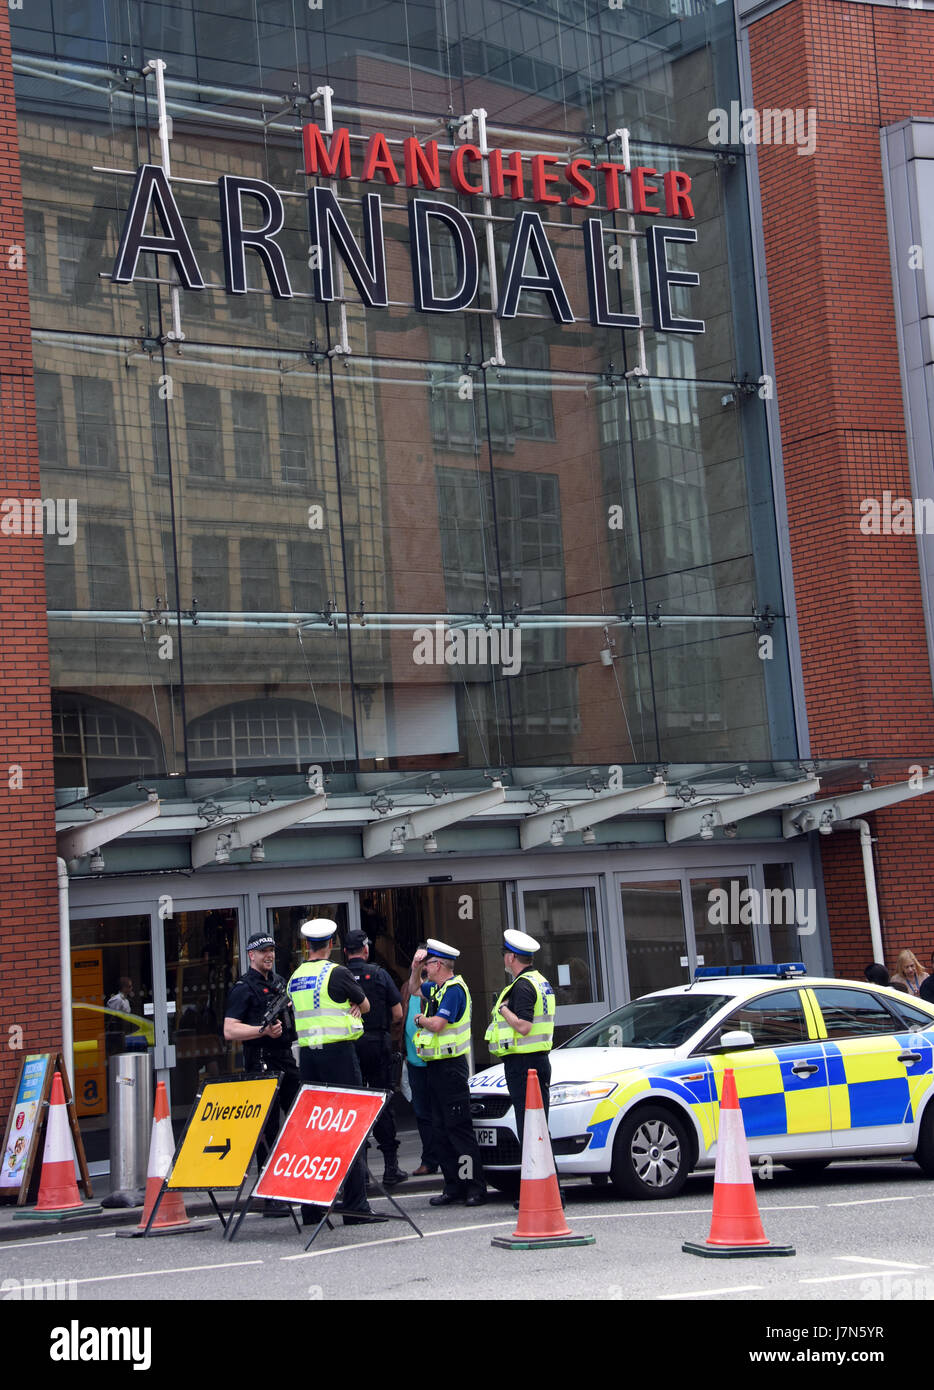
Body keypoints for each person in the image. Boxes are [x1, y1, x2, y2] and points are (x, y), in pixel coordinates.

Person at [286, 918, 388, 1226]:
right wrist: (352, 1007)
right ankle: (355, 1205)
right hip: (339, 1057)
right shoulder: (337, 972)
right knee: (349, 1128)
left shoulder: (295, 976)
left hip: (309, 1058)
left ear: (306, 946)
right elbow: (366, 1005)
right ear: (330, 945)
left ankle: (311, 1207)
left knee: (314, 1132)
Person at [223, 932, 300, 1218]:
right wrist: (262, 1031)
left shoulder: (279, 982)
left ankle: (297, 1184)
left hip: (285, 1059)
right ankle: (269, 1195)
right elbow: (229, 1030)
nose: (269, 955)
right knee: (268, 1130)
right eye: (263, 951)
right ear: (250, 955)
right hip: (261, 1062)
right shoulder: (243, 987)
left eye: (271, 950)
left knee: (297, 1120)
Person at [413, 939, 486, 1207]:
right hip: (435, 1068)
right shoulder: (437, 988)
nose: (426, 968)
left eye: (428, 963)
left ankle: (474, 1187)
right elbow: (413, 989)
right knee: (440, 1129)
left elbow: (438, 1024)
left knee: (459, 1130)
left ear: (439, 964)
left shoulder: (454, 990)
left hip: (452, 1069)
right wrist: (414, 967)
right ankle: (452, 1186)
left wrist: (420, 1020)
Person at [343, 928, 408, 1187]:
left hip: (351, 1045)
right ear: (366, 950)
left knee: (355, 1106)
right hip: (377, 1043)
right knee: (382, 1104)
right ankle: (391, 1167)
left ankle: (361, 1173)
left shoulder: (339, 976)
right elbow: (398, 1013)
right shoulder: (379, 974)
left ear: (346, 952)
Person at [485, 929, 555, 1155]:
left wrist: (503, 1008)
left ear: (511, 957)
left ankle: (542, 1186)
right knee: (538, 1127)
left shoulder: (523, 986)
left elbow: (524, 1026)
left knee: (530, 1127)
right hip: (536, 1062)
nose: (505, 958)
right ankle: (549, 1188)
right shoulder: (540, 981)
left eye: (505, 954)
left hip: (525, 1066)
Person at [398, 950, 440, 1176]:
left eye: (424, 961)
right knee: (422, 1112)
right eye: (417, 960)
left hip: (434, 1060)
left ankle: (444, 1157)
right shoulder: (408, 988)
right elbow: (401, 1019)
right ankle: (429, 1159)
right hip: (414, 1061)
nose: (420, 965)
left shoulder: (435, 988)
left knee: (438, 1112)